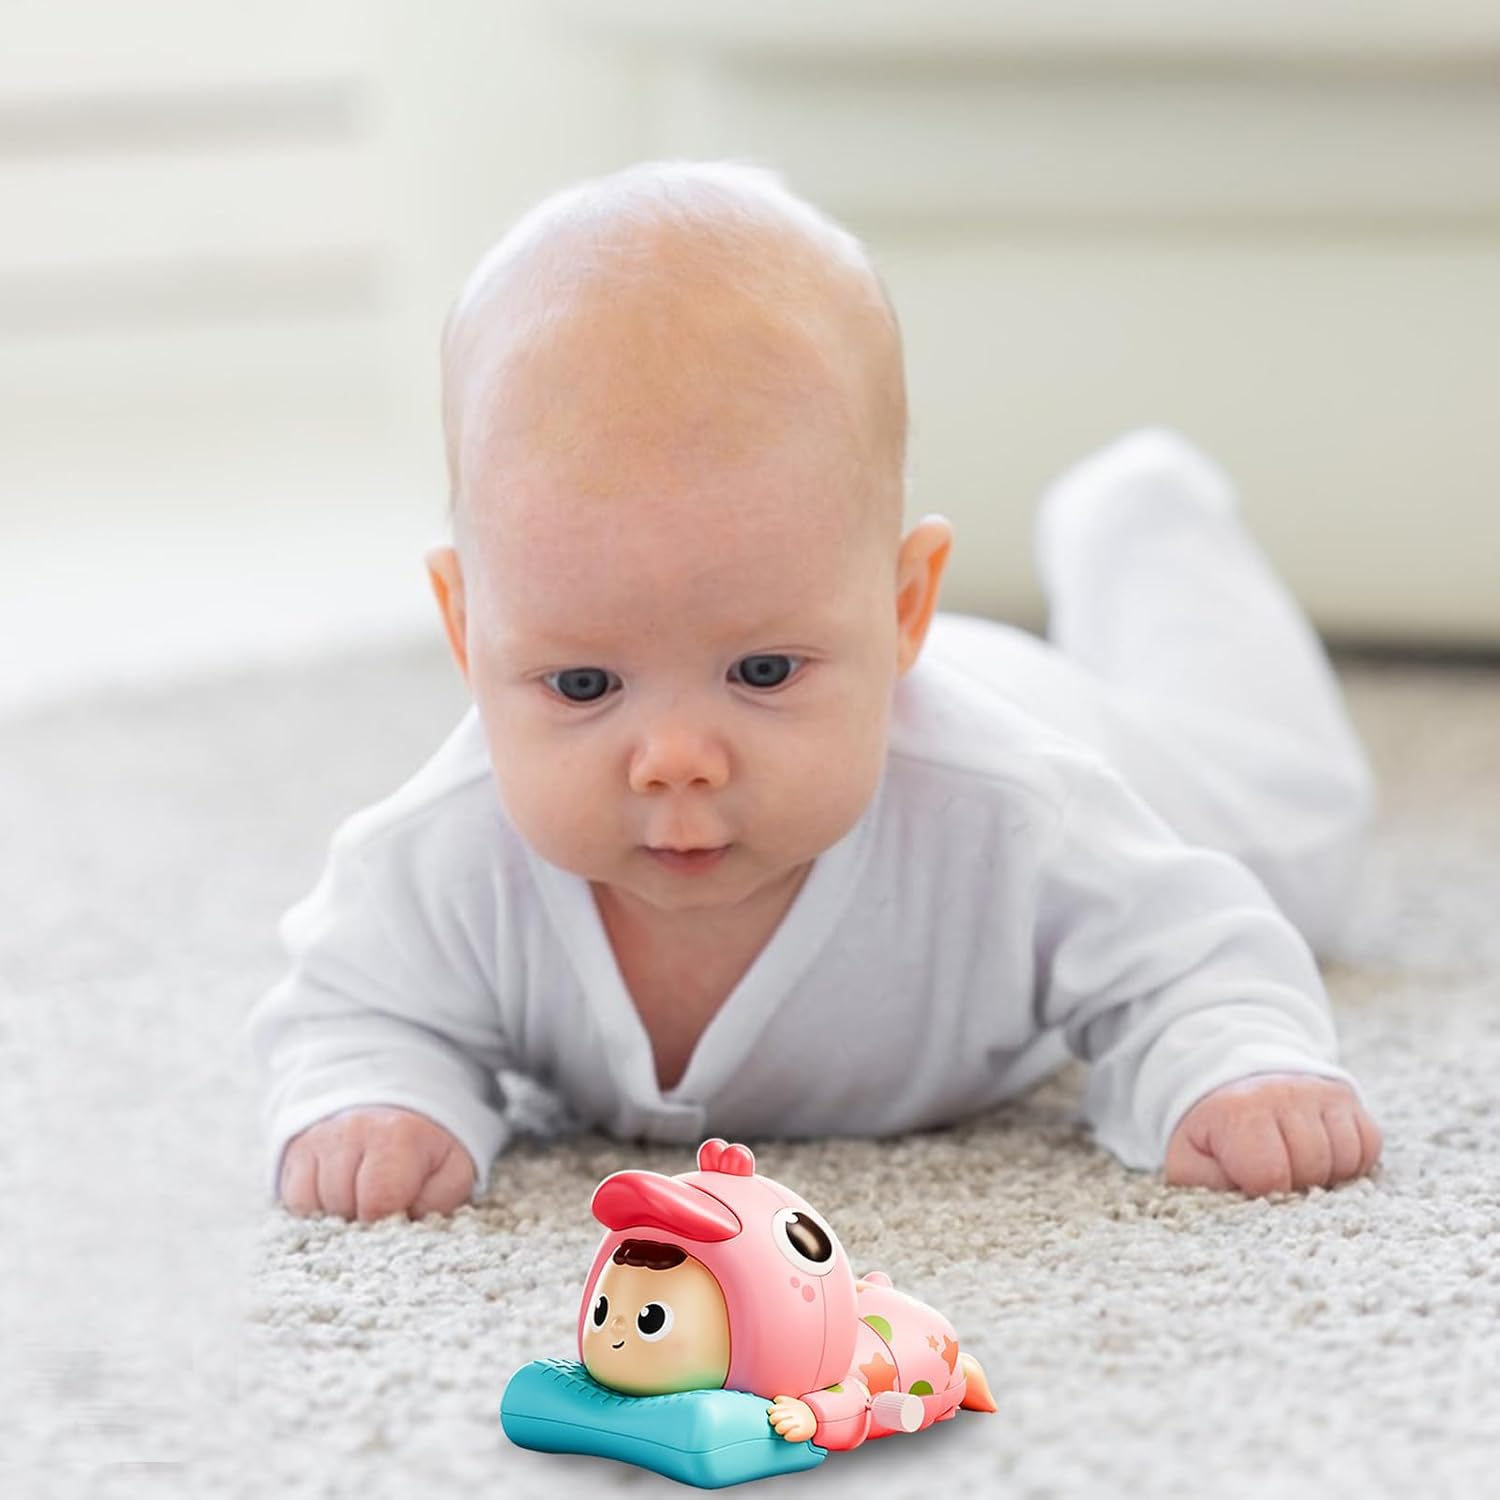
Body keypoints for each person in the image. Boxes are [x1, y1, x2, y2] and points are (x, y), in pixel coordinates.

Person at [246, 159, 1382, 1223]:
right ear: (466, 627)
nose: (676, 758)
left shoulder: (1014, 813)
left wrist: (1234, 1070)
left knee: (1300, 849)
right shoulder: (444, 856)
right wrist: (373, 1102)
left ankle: (1142, 523)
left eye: (762, 671)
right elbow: (354, 1009)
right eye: (585, 683)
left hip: (1064, 722)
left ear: (900, 608)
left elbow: (1190, 957)